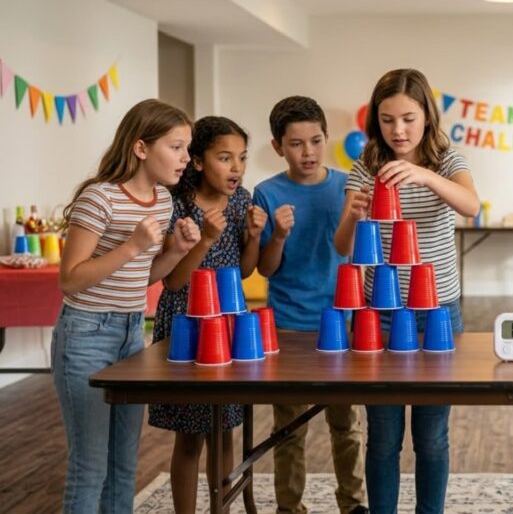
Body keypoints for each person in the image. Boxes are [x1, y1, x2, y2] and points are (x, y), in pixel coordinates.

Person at [335, 68, 479, 514]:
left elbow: (471, 206)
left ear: (427, 117)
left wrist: (424, 176)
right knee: (383, 433)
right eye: (387, 119)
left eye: (408, 118)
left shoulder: (447, 160)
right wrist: (354, 215)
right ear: (375, 121)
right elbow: (342, 246)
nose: (398, 129)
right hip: (380, 313)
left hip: (437, 311)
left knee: (432, 435)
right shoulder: (366, 167)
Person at [54, 99, 199, 513]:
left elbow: (145, 276)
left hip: (133, 333)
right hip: (86, 334)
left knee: (123, 465)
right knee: (90, 467)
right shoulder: (98, 199)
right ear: (140, 148)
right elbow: (71, 278)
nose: (186, 159)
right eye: (176, 147)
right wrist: (132, 244)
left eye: (187, 148)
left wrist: (177, 251)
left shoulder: (162, 201)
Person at [254, 96, 368, 514]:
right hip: (287, 323)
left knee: (346, 423)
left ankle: (353, 504)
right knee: (288, 426)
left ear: (326, 139)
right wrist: (279, 235)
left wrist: (356, 217)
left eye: (316, 141)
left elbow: (359, 253)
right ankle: (289, 507)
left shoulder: (347, 186)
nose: (308, 152)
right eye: (297, 144)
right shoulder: (266, 193)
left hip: (342, 320)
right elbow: (266, 269)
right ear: (277, 147)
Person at [148, 116, 267, 513]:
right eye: (225, 157)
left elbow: (246, 269)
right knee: (189, 437)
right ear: (197, 161)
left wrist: (252, 237)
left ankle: (222, 508)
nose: (236, 168)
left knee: (225, 430)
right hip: (187, 330)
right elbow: (175, 282)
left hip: (228, 326)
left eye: (242, 158)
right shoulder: (177, 205)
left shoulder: (241, 200)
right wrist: (207, 239)